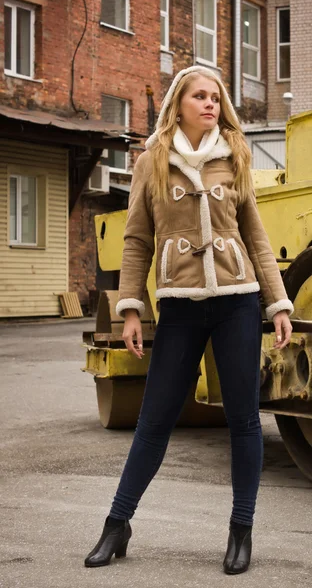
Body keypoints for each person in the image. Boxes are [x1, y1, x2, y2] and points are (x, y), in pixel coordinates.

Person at [84, 66, 293, 574]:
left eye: (215, 98)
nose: (210, 105)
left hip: (238, 301)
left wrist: (278, 302)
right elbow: (135, 241)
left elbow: (256, 236)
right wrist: (132, 308)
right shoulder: (152, 161)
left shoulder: (236, 156)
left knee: (244, 419)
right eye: (200, 96)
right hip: (179, 304)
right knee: (154, 420)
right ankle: (117, 524)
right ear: (177, 103)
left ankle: (241, 530)